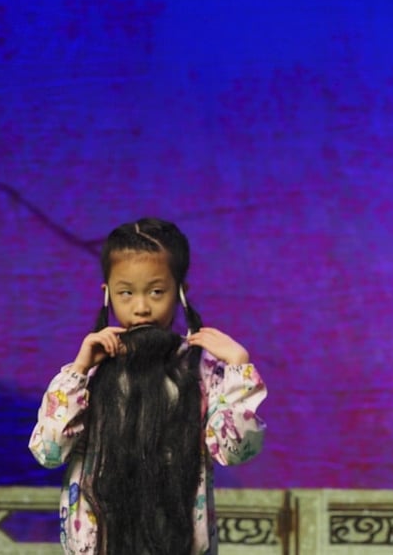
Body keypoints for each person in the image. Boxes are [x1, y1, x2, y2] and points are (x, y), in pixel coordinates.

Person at [29, 217, 267, 555]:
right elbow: (48, 453)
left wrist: (239, 369)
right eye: (126, 293)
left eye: (156, 292)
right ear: (107, 294)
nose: (141, 308)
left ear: (181, 291)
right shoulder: (87, 376)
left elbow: (236, 451)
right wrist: (79, 370)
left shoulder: (205, 373)